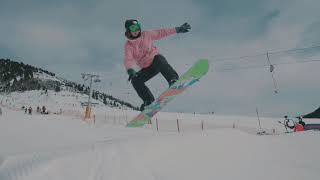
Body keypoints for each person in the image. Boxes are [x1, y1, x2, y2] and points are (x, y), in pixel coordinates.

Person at [124, 19, 191, 111]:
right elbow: (128, 59)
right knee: (135, 80)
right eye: (133, 28)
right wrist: (130, 70)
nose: (136, 31)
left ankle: (173, 80)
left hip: (157, 63)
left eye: (137, 27)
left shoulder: (147, 34)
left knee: (159, 58)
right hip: (146, 69)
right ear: (128, 30)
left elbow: (162, 32)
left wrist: (177, 29)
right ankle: (148, 101)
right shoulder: (128, 45)